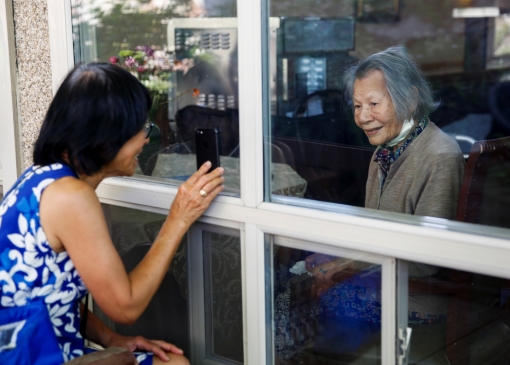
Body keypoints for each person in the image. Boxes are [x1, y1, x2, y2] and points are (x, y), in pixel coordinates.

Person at [0, 63, 224, 364]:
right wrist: (179, 217)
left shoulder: (42, 177)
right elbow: (126, 307)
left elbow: (54, 292)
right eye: (140, 129)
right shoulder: (72, 196)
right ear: (107, 136)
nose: (146, 139)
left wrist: (113, 339)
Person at [275, 46, 465, 362]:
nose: (363, 117)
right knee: (287, 283)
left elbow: (428, 259)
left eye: (374, 104)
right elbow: (376, 229)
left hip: (414, 298)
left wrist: (350, 266)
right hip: (385, 277)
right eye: (357, 106)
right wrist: (339, 258)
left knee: (331, 299)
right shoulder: (386, 150)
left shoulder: (440, 156)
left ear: (410, 99)